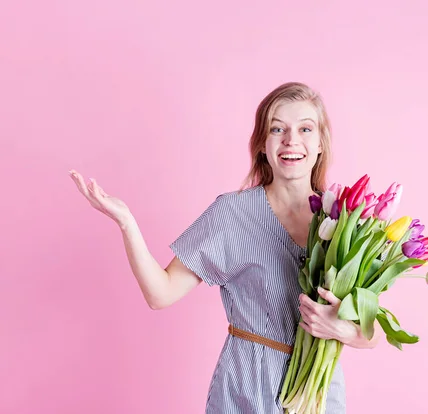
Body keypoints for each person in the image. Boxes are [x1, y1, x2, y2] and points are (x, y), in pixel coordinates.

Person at [69, 82, 380, 413]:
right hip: (247, 389)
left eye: (305, 128)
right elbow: (160, 294)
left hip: (319, 396)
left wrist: (341, 329)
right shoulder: (232, 214)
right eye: (278, 128)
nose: (291, 140)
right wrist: (126, 223)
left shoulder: (346, 220)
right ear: (262, 144)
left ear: (320, 143)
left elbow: (372, 333)